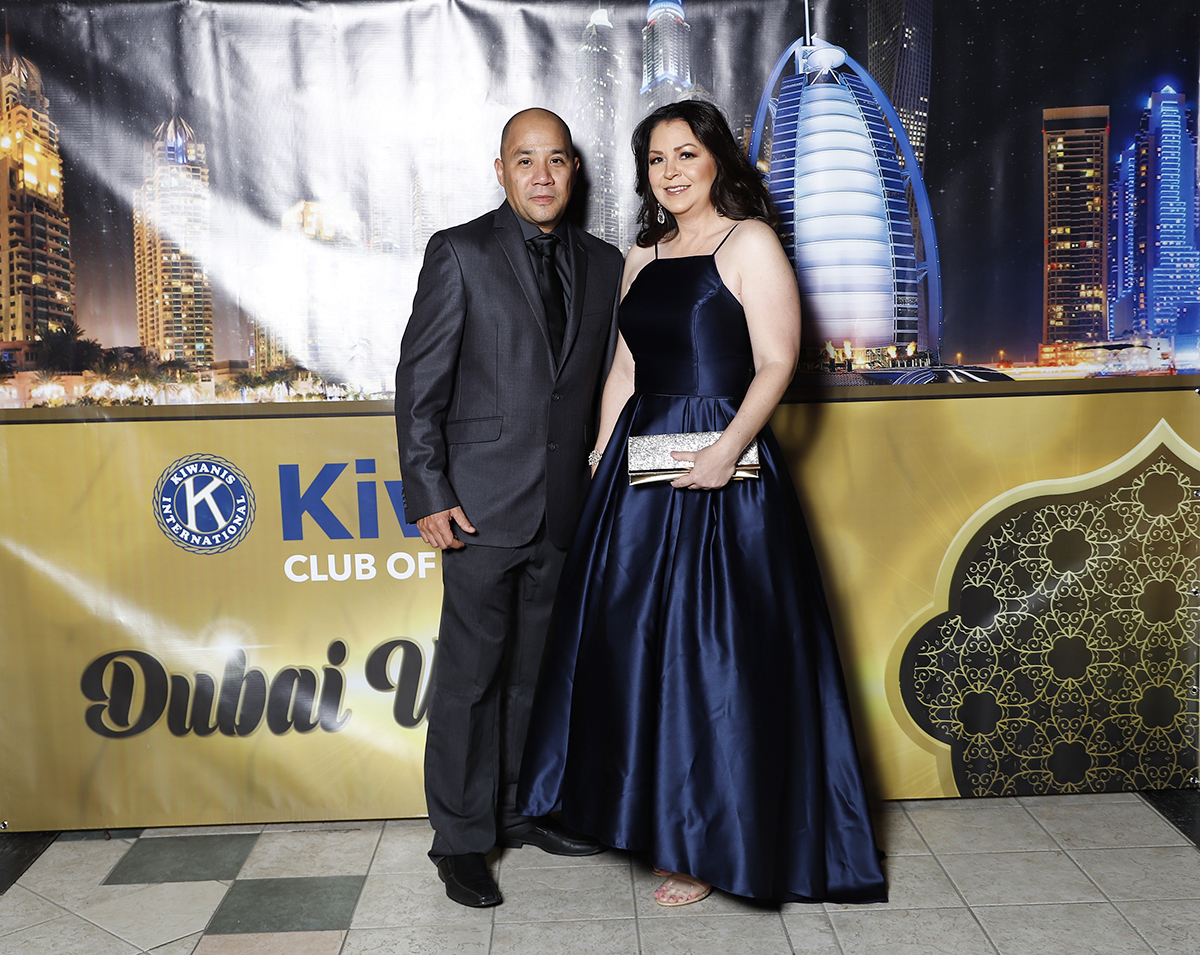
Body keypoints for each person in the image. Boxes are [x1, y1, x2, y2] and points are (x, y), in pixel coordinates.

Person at [516, 100, 887, 906]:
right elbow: (624, 370)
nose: (672, 171)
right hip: (641, 466)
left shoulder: (749, 242)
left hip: (726, 463)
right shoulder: (642, 253)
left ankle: (707, 843)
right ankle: (650, 816)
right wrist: (599, 455)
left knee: (713, 653)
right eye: (657, 159)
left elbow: (777, 361)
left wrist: (726, 450)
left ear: (717, 158)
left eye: (686, 153)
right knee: (635, 645)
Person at [394, 108, 624, 908]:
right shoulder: (459, 252)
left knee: (536, 675)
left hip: (563, 507)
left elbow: (605, 382)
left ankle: (521, 810)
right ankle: (461, 839)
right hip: (479, 509)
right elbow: (419, 385)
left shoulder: (605, 263)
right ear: (501, 170)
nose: (541, 175)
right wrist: (429, 492)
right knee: (469, 679)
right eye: (525, 160)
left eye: (555, 159)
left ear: (574, 171)